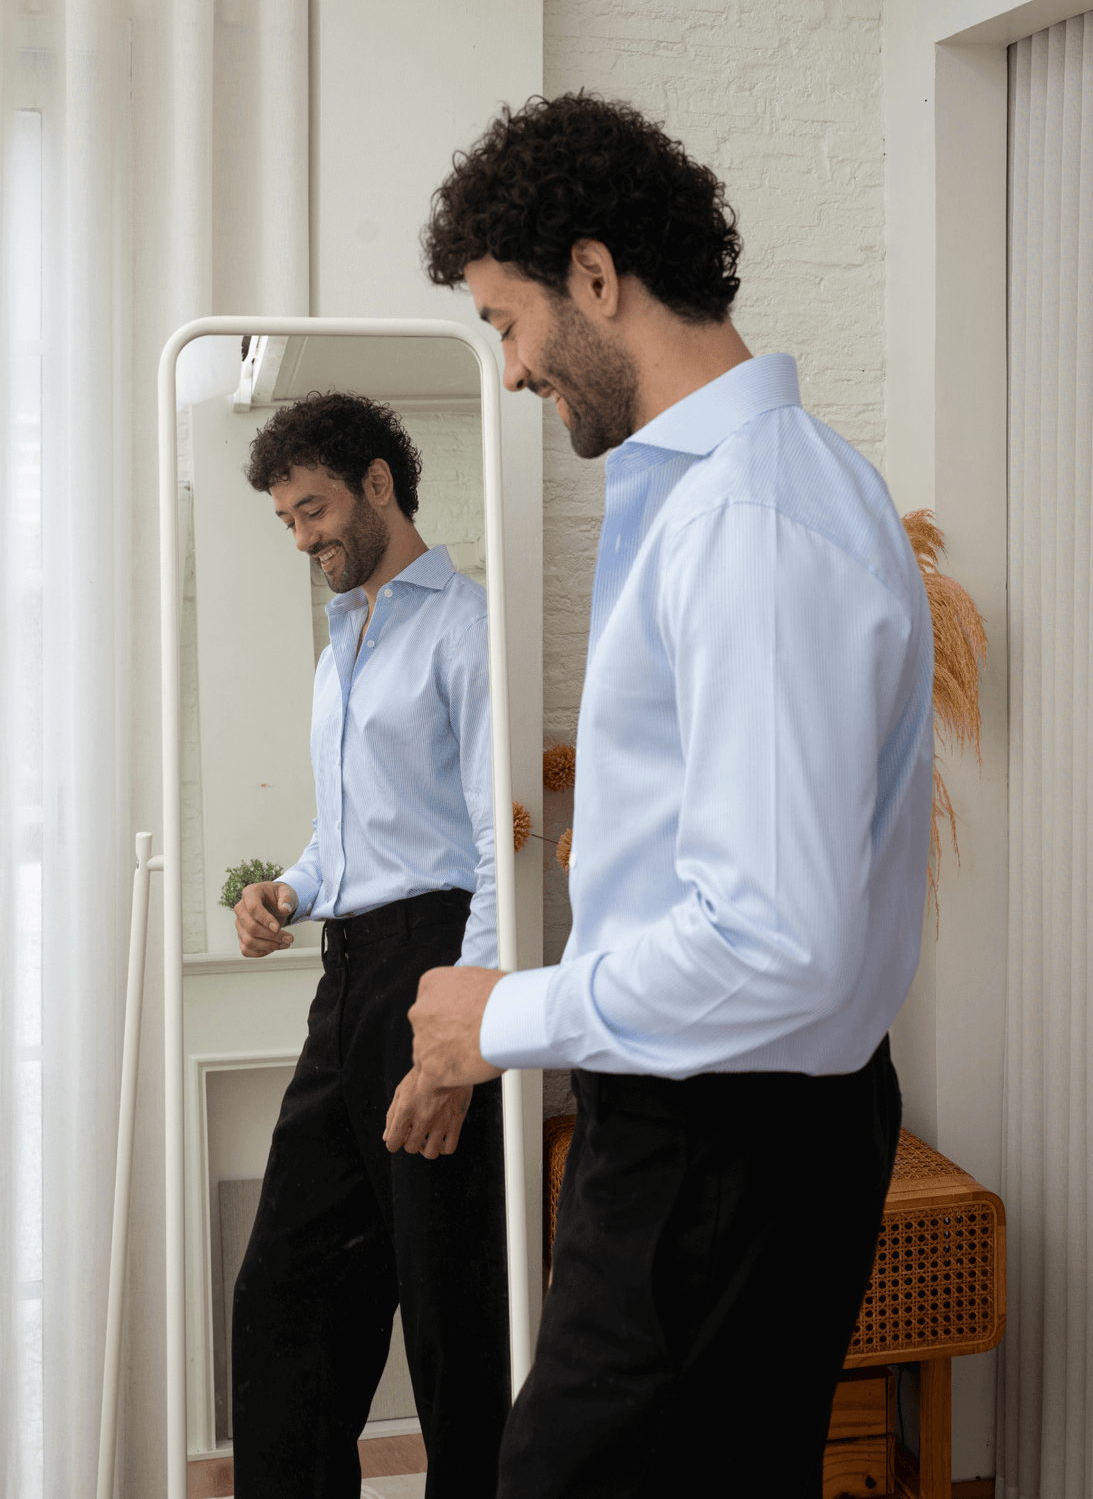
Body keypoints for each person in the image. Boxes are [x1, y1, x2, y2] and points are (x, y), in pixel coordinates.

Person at [410, 94, 932, 1497]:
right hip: (726, 1131)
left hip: (723, 1142)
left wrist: (502, 1018)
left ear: (595, 275)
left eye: (507, 321)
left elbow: (774, 942)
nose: (512, 371)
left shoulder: (750, 524)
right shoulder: (758, 495)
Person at [229, 392, 509, 1499]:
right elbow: (355, 834)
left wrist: (464, 1034)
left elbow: (494, 847)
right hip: (344, 977)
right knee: (285, 1290)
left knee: (447, 1303)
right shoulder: (340, 647)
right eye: (288, 521)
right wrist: (289, 888)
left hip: (433, 967)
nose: (304, 538)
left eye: (315, 509)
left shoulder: (465, 625)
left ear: (381, 482)